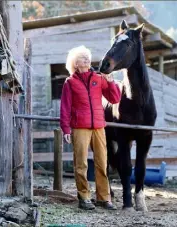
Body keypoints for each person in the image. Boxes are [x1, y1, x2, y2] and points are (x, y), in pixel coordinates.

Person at [60, 45, 121, 210]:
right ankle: (84, 197)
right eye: (82, 57)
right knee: (81, 164)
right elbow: (65, 107)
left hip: (99, 127)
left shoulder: (99, 78)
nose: (87, 60)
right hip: (80, 127)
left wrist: (112, 82)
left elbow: (114, 99)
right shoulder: (70, 82)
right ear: (75, 63)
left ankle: (103, 198)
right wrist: (66, 129)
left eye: (87, 57)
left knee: (102, 162)